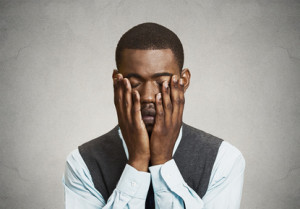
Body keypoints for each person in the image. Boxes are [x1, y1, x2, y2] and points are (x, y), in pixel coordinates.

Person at [62, 22, 245, 209]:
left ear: (184, 80)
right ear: (117, 82)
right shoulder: (82, 163)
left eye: (161, 82)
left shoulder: (223, 160)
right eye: (134, 82)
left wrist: (163, 161)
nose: (148, 96)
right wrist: (137, 160)